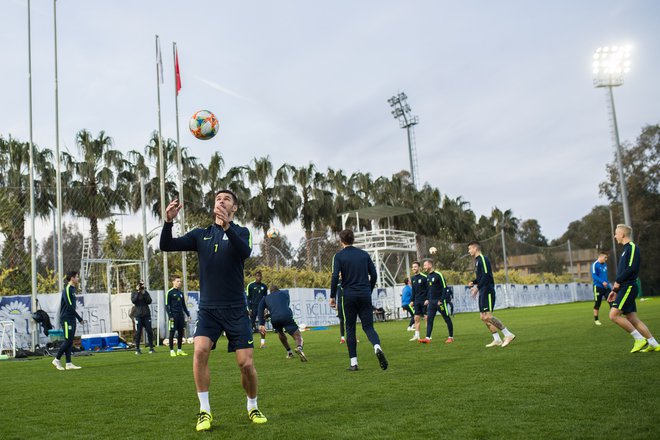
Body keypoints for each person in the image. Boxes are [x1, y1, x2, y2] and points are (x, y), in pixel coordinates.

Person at [160, 190, 267, 432]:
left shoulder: (241, 232)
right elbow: (167, 245)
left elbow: (245, 253)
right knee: (199, 351)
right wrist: (169, 222)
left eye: (227, 199)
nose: (221, 201)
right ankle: (204, 411)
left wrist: (228, 227)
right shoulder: (201, 235)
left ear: (235, 208)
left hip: (237, 310)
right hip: (209, 310)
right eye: (218, 199)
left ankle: (252, 406)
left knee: (246, 365)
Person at [330, 229, 388, 371]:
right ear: (353, 239)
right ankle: (377, 347)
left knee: (350, 328)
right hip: (364, 294)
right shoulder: (364, 255)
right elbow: (374, 274)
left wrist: (332, 296)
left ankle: (354, 363)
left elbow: (335, 277)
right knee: (368, 327)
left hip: (348, 295)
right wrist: (369, 289)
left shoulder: (338, 256)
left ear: (341, 240)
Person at [607, 224, 659, 353]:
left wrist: (617, 283)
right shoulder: (625, 250)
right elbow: (624, 270)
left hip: (628, 286)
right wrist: (615, 290)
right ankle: (653, 343)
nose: (614, 236)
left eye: (616, 233)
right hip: (624, 287)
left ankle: (639, 339)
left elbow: (631, 269)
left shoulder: (632, 248)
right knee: (632, 318)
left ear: (622, 235)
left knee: (613, 315)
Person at [467, 241, 516, 348]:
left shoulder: (483, 259)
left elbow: (486, 276)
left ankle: (508, 334)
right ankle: (497, 339)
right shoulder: (477, 261)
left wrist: (477, 288)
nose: (469, 251)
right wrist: (474, 282)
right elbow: (481, 277)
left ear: (475, 249)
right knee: (483, 317)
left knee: (488, 316)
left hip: (487, 290)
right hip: (483, 290)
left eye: (470, 248)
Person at [257, 285, 307, 361]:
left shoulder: (265, 298)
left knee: (280, 332)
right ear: (278, 290)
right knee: (297, 335)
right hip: (286, 316)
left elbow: (260, 309)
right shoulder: (285, 293)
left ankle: (289, 352)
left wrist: (261, 324)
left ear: (270, 292)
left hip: (275, 319)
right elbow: (284, 306)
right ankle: (299, 347)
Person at [51, 271, 84, 371]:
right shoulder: (68, 289)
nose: (78, 278)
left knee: (70, 341)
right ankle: (56, 359)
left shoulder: (73, 289)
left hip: (71, 318)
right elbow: (69, 306)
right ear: (72, 278)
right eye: (77, 277)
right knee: (68, 340)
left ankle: (68, 363)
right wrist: (79, 318)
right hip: (66, 318)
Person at [418, 259, 454, 344]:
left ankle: (451, 337)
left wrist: (441, 300)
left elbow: (445, 287)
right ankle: (427, 338)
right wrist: (427, 299)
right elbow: (429, 290)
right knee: (429, 319)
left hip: (439, 302)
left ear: (430, 265)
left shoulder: (438, 275)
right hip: (431, 302)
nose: (424, 267)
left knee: (447, 319)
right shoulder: (428, 277)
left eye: (425, 265)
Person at [166, 277, 191, 357]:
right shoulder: (169, 292)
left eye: (180, 281)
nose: (179, 283)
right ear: (173, 282)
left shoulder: (180, 293)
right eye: (177, 281)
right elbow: (167, 305)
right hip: (173, 316)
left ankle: (179, 350)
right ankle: (171, 350)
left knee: (181, 333)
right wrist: (170, 316)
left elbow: (183, 305)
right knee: (172, 333)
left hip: (181, 316)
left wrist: (188, 314)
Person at [131, 279, 155, 354]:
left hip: (146, 315)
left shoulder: (145, 292)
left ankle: (151, 347)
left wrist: (143, 293)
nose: (141, 287)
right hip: (138, 315)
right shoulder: (134, 293)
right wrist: (138, 292)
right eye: (140, 285)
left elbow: (149, 301)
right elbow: (134, 301)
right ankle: (137, 348)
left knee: (149, 331)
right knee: (138, 332)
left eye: (142, 285)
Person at [246, 271, 268, 348]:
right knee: (251, 325)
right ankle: (249, 343)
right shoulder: (250, 286)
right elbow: (248, 298)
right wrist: (249, 309)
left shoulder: (264, 286)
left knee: (262, 325)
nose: (259, 277)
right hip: (253, 307)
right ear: (255, 276)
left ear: (261, 277)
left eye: (260, 276)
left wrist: (266, 308)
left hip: (261, 308)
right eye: (257, 276)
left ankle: (262, 344)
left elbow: (266, 298)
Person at [591, 250, 611, 326]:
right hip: (598, 287)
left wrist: (608, 285)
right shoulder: (594, 265)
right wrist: (602, 282)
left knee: (612, 301)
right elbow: (594, 276)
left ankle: (615, 317)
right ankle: (596, 320)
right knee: (597, 304)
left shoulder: (605, 264)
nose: (606, 259)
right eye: (605, 257)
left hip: (606, 288)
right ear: (601, 256)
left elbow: (605, 276)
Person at [409, 261, 428, 341]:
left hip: (424, 301)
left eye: (415, 266)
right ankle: (417, 335)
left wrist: (427, 299)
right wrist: (412, 300)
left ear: (419, 267)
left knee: (427, 318)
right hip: (417, 301)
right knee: (416, 318)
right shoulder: (412, 278)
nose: (414, 268)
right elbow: (413, 290)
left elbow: (428, 289)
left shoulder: (424, 277)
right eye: (413, 267)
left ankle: (428, 335)